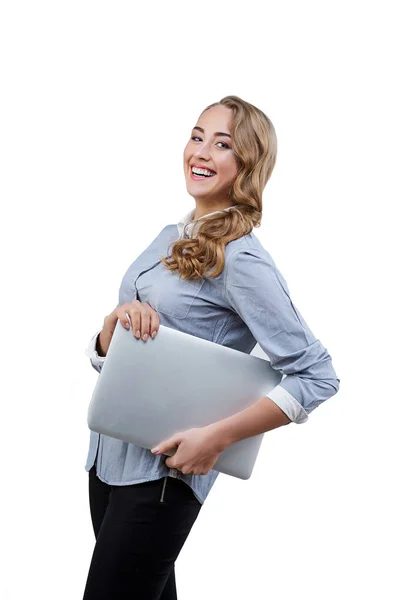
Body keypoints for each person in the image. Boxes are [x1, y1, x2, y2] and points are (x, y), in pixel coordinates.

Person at [82, 95, 340, 599]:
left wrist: (218, 438)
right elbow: (123, 355)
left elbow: (318, 374)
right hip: (105, 459)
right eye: (197, 136)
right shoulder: (167, 237)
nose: (201, 152)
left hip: (163, 475)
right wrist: (110, 329)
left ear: (247, 163)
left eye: (222, 144)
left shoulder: (241, 259)